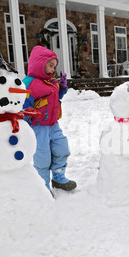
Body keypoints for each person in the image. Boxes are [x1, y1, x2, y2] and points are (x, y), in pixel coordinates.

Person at [23, 45, 77, 191]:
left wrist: (62, 88)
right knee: (43, 158)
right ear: (40, 64)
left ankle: (59, 177)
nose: (53, 69)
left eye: (54, 66)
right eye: (50, 65)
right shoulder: (29, 83)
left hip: (53, 125)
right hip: (38, 127)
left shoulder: (50, 82)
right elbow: (23, 106)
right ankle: (43, 187)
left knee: (62, 149)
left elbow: (55, 99)